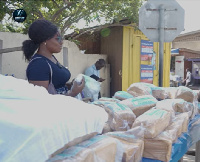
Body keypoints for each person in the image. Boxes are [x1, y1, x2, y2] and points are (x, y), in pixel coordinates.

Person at [22, 19, 85, 96]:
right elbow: (41, 99)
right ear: (44, 41)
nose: (61, 42)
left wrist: (71, 86)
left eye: (61, 38)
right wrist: (73, 93)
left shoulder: (51, 58)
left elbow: (55, 84)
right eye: (57, 39)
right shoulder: (38, 65)